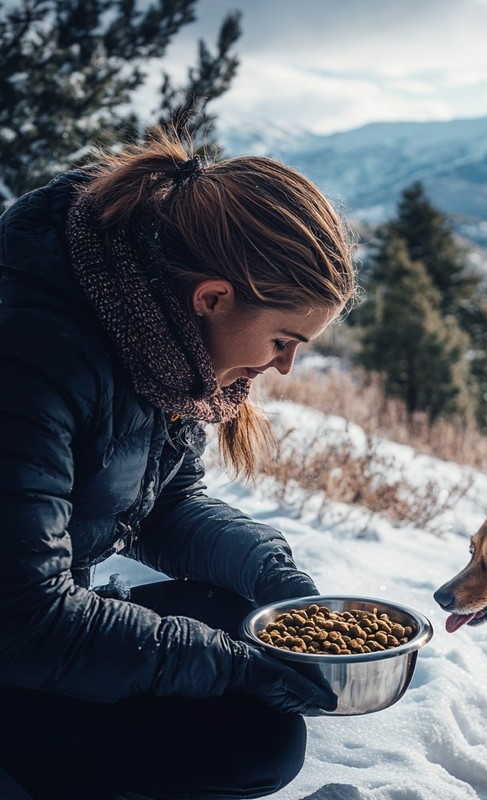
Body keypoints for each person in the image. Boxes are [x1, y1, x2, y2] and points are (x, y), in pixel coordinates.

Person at [0, 129, 359, 800]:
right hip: (18, 632)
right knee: (249, 741)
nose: (286, 366)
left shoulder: (152, 329)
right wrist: (230, 669)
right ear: (214, 298)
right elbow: (23, 617)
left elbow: (161, 502)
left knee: (238, 616)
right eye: (284, 341)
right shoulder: (34, 353)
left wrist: (272, 575)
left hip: (31, 619)